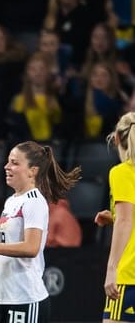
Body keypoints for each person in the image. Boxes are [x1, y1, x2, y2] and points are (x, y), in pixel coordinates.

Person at [0, 140, 81, 322]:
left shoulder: (34, 202)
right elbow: (10, 251)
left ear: (33, 171)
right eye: (8, 161)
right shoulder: (11, 201)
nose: (7, 166)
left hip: (26, 300)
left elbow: (31, 248)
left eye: (15, 163)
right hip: (3, 299)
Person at [94, 111, 135, 322]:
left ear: (117, 138)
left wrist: (112, 270)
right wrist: (115, 217)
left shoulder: (122, 172)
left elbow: (127, 221)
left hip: (129, 275)